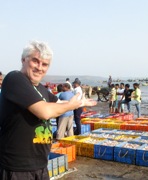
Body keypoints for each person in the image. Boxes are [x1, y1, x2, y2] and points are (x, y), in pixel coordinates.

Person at [0, 40, 97, 179]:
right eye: (35, 61)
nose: (40, 67)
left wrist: (81, 101)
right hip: (17, 168)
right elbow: (45, 111)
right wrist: (72, 105)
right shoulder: (15, 78)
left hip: (40, 166)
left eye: (45, 64)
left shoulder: (41, 89)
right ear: (23, 60)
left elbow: (60, 102)